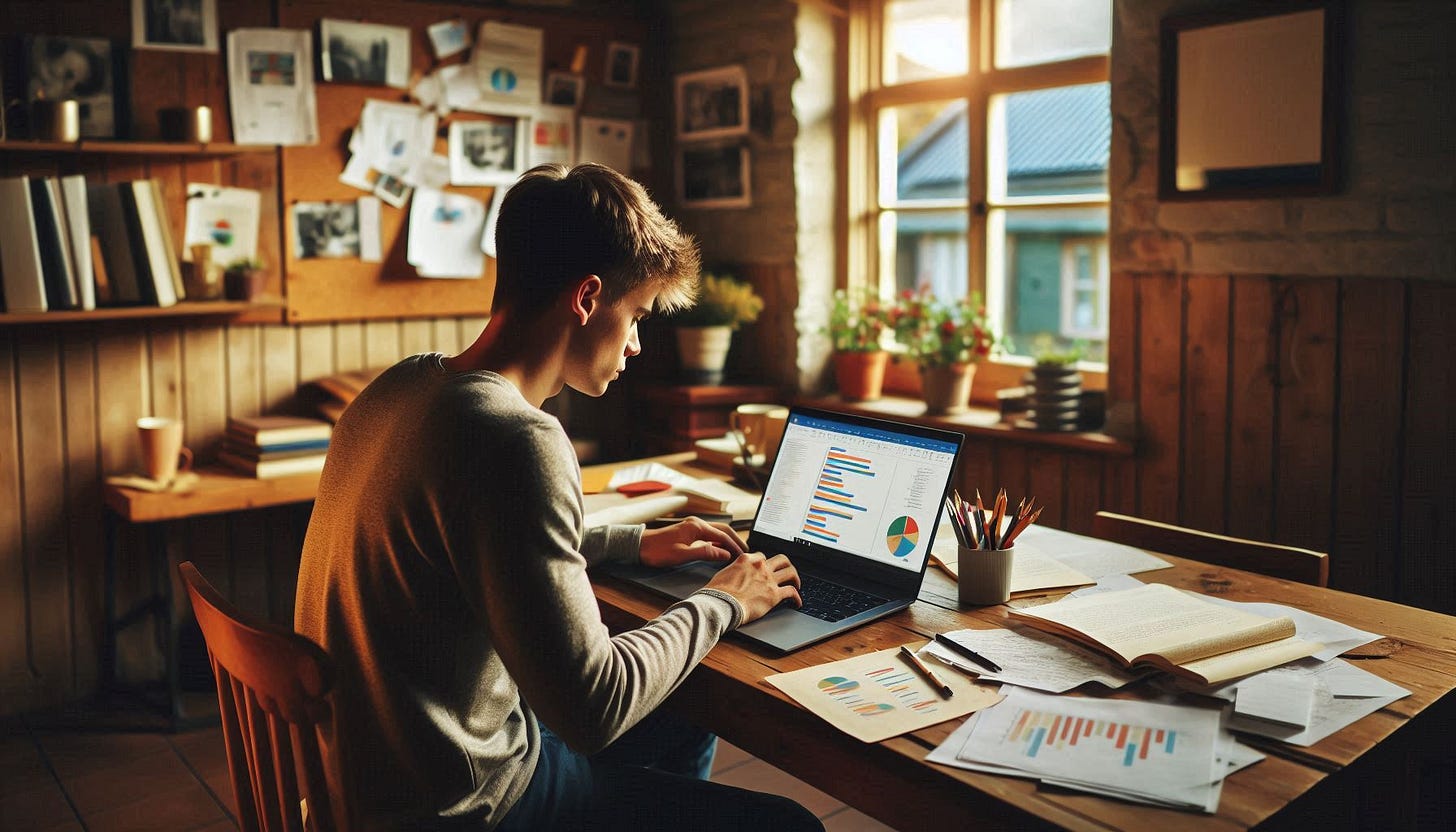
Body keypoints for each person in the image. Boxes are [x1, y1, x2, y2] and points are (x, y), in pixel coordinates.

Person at [295, 162, 821, 831]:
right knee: (791, 825)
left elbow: (467, 543)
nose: (634, 344)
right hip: (466, 809)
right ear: (587, 298)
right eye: (634, 315)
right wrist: (724, 600)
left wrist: (633, 541)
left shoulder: (397, 389)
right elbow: (594, 708)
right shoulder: (520, 439)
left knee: (681, 718)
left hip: (373, 786)